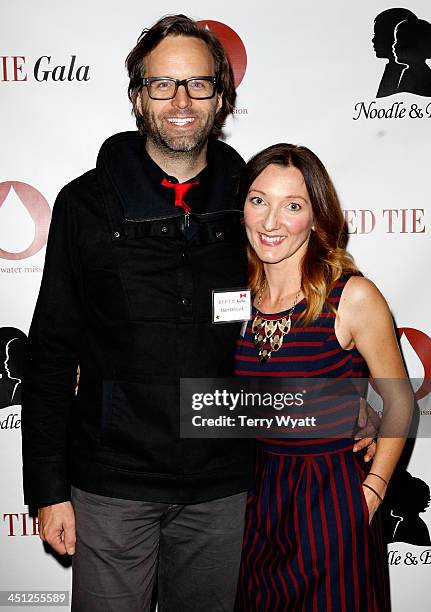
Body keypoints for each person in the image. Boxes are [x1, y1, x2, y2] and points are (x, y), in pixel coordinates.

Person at [21, 14, 255, 612]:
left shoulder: (254, 202)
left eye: (198, 83)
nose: (181, 101)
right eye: (162, 84)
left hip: (224, 488)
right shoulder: (85, 202)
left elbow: (300, 320)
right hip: (111, 488)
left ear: (221, 96)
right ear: (137, 97)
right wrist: (48, 489)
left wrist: (344, 404)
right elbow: (50, 352)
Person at [234, 143, 412, 611]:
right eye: (259, 201)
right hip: (252, 498)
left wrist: (372, 493)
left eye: (292, 206)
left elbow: (400, 402)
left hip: (329, 496)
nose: (271, 222)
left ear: (316, 218)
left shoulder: (351, 296)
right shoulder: (233, 296)